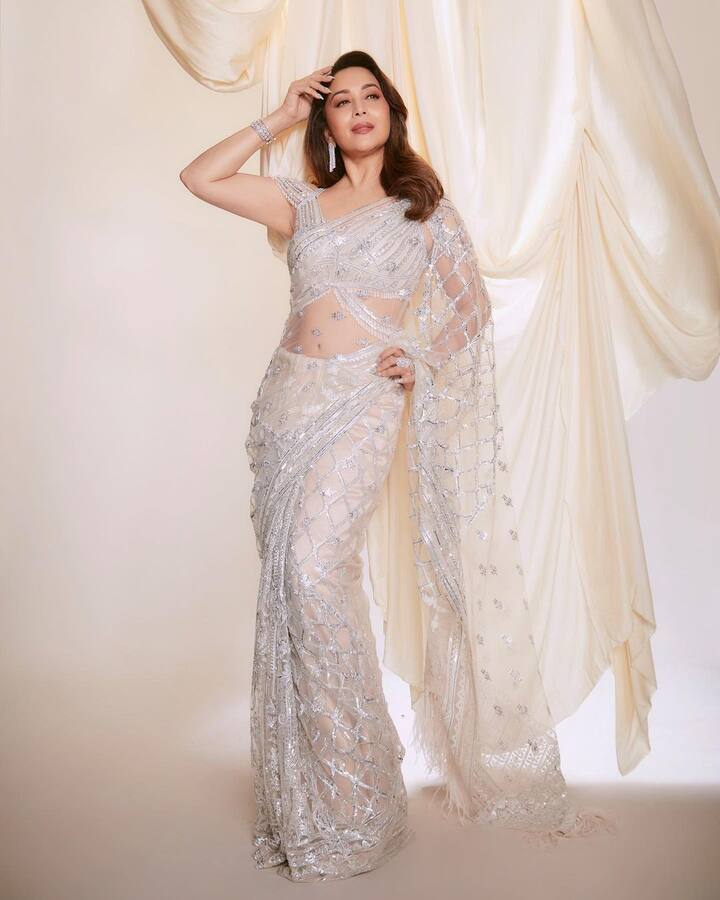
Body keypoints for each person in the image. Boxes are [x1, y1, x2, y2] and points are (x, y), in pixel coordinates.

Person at [179, 49, 615, 883]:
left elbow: (470, 309)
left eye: (370, 95)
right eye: (340, 99)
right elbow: (199, 177)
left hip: (362, 405)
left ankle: (358, 797)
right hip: (286, 410)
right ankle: (324, 794)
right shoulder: (301, 204)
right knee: (298, 587)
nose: (357, 107)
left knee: (314, 571)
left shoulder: (424, 212)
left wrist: (418, 354)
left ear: (391, 113)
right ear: (326, 120)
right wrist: (278, 117)